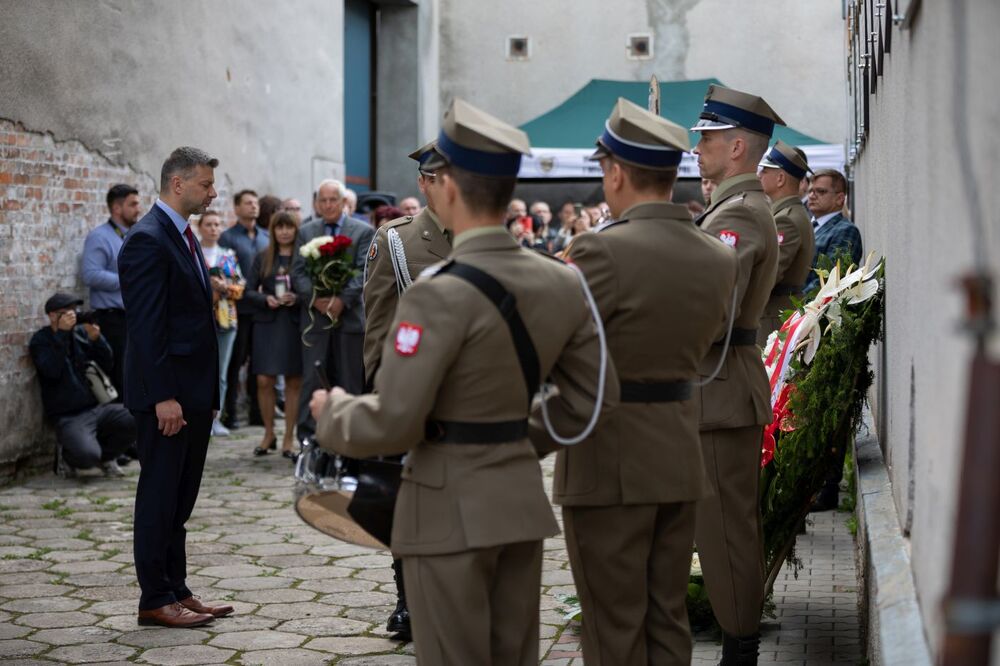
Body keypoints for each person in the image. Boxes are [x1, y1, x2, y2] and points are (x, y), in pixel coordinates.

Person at [310, 97, 616, 665]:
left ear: (445, 186)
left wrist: (332, 412)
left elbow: (396, 416)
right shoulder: (560, 280)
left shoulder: (435, 291)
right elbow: (591, 398)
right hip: (519, 499)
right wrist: (513, 438)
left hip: (446, 503)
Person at [539, 98, 739, 664]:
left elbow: (556, 345)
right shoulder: (716, 255)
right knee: (666, 618)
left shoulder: (599, 250)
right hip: (679, 450)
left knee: (614, 627)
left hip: (610, 458)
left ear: (616, 171)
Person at [118, 146, 233, 628]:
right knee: (160, 495)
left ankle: (177, 589)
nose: (213, 193)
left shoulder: (181, 235)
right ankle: (154, 598)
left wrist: (208, 398)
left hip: (193, 394)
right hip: (166, 395)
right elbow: (147, 328)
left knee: (180, 499)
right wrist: (164, 395)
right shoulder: (148, 238)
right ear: (178, 184)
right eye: (206, 185)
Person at [690, 84, 783, 664]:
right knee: (719, 528)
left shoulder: (740, 216)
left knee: (724, 531)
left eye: (707, 139)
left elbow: (712, 314)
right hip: (716, 389)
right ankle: (737, 638)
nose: (697, 149)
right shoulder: (731, 209)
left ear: (738, 147)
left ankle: (740, 647)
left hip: (719, 390)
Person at [361, 139, 453, 641]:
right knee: (409, 502)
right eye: (438, 178)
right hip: (414, 395)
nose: (448, 187)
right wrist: (384, 397)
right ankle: (409, 601)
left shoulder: (487, 237)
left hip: (471, 399)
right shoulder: (397, 241)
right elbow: (378, 328)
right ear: (424, 183)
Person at [292, 179, 374, 442]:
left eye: (333, 200)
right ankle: (308, 439)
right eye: (323, 200)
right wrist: (316, 299)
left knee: (349, 380)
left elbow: (364, 270)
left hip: (349, 318)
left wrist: (342, 300)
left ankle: (352, 438)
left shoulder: (362, 231)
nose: (328, 205)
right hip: (315, 319)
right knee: (312, 381)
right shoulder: (306, 232)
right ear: (316, 204)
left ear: (343, 202)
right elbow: (298, 272)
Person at [29, 293, 134, 477]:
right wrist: (61, 334)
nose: (73, 315)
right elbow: (51, 371)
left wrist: (96, 339)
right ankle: (67, 456)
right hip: (69, 415)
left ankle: (107, 457)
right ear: (53, 316)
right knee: (87, 455)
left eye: (74, 311)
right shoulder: (41, 341)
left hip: (96, 408)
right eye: (66, 312)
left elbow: (108, 363)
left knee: (139, 417)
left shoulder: (78, 335)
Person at [245, 211, 302, 459]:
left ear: (295, 230)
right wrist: (265, 298)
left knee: (293, 382)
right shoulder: (262, 257)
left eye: (288, 227)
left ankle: (289, 438)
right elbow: (247, 291)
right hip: (267, 323)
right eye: (279, 227)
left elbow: (314, 289)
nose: (284, 232)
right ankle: (269, 433)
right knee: (264, 381)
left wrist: (297, 298)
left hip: (293, 323)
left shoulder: (304, 256)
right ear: (273, 231)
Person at [81, 184, 142, 399]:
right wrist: (129, 281)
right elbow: (90, 274)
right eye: (133, 204)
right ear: (117, 208)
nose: (139, 208)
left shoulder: (133, 236)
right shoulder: (99, 237)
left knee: (135, 375)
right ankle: (121, 429)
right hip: (112, 320)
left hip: (134, 317)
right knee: (120, 376)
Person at [756, 141, 816, 345]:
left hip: (775, 318)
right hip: (778, 313)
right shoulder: (787, 214)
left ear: (780, 178)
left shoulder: (786, 219)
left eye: (765, 170)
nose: (759, 175)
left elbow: (768, 275)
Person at [219, 189, 268, 429]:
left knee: (259, 364)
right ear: (237, 208)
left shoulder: (266, 237)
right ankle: (230, 413)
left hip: (261, 309)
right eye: (248, 203)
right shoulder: (227, 238)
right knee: (234, 363)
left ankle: (257, 413)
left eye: (255, 203)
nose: (253, 207)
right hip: (237, 309)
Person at [194, 210, 245, 437]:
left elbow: (241, 286)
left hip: (226, 319)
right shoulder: (192, 252)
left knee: (220, 373)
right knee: (197, 369)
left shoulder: (228, 255)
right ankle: (197, 417)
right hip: (198, 319)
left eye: (217, 224)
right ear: (200, 227)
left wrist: (225, 287)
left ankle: (215, 419)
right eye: (208, 224)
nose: (213, 228)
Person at [804, 168, 863, 294]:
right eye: (810, 191)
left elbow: (831, 281)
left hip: (809, 309)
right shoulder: (808, 226)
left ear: (840, 198)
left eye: (821, 191)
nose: (812, 196)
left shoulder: (845, 230)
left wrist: (793, 305)